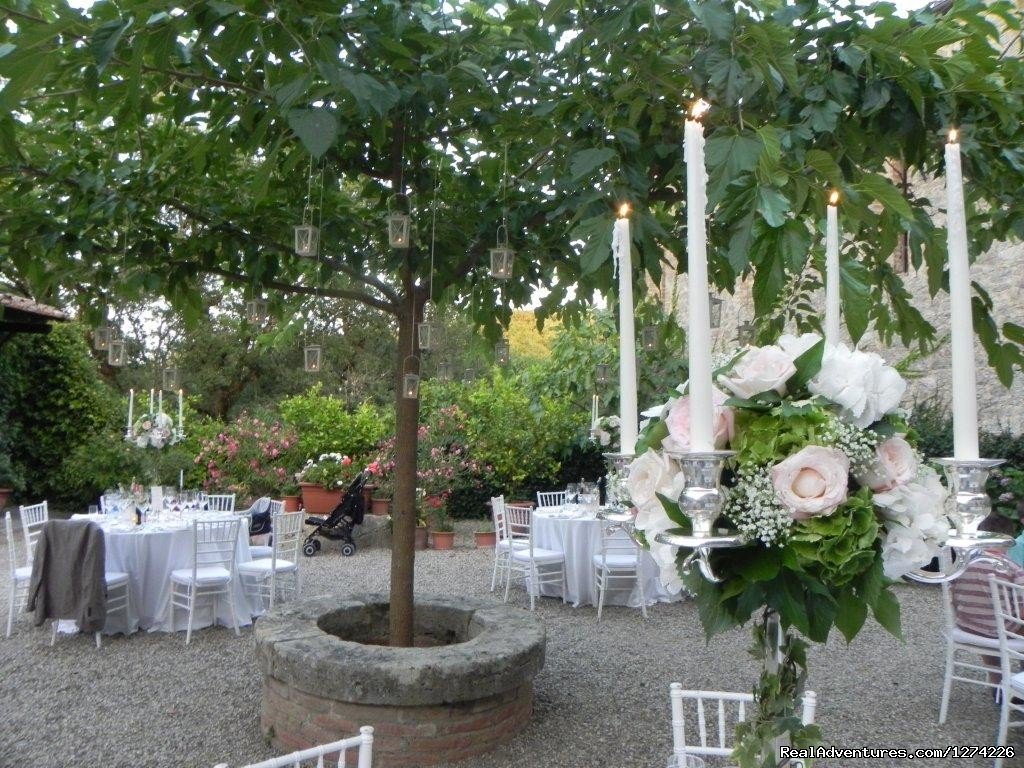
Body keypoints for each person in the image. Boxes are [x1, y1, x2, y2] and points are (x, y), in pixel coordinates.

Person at [948, 514, 1024, 701]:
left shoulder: (961, 565)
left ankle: (997, 678)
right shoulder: (1013, 568)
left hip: (968, 626)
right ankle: (1020, 682)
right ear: (1009, 541)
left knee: (988, 618)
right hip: (1001, 631)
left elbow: (953, 597)